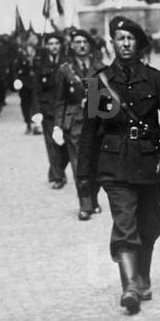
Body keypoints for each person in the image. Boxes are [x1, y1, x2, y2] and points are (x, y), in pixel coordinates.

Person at [77, 16, 160, 314]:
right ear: (112, 42)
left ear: (138, 43)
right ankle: (130, 286)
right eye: (119, 38)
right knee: (124, 223)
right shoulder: (101, 82)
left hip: (150, 162)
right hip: (114, 164)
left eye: (130, 39)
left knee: (149, 224)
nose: (125, 43)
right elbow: (90, 131)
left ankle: (143, 274)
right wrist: (85, 176)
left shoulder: (155, 79)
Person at [52, 29, 105, 220]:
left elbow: (109, 98)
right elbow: (59, 100)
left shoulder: (101, 68)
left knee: (96, 163)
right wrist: (57, 125)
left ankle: (94, 197)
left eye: (85, 42)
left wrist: (95, 102)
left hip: (96, 122)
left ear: (90, 45)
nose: (81, 45)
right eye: (77, 42)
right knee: (78, 165)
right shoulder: (65, 70)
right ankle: (85, 205)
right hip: (74, 123)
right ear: (72, 46)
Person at [34, 33, 68, 189]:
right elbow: (37, 89)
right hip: (48, 110)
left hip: (66, 110)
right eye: (51, 43)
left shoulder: (67, 62)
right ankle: (58, 177)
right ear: (46, 46)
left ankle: (55, 171)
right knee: (52, 144)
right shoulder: (41, 63)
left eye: (56, 43)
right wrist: (36, 111)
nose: (54, 46)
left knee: (67, 144)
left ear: (61, 45)